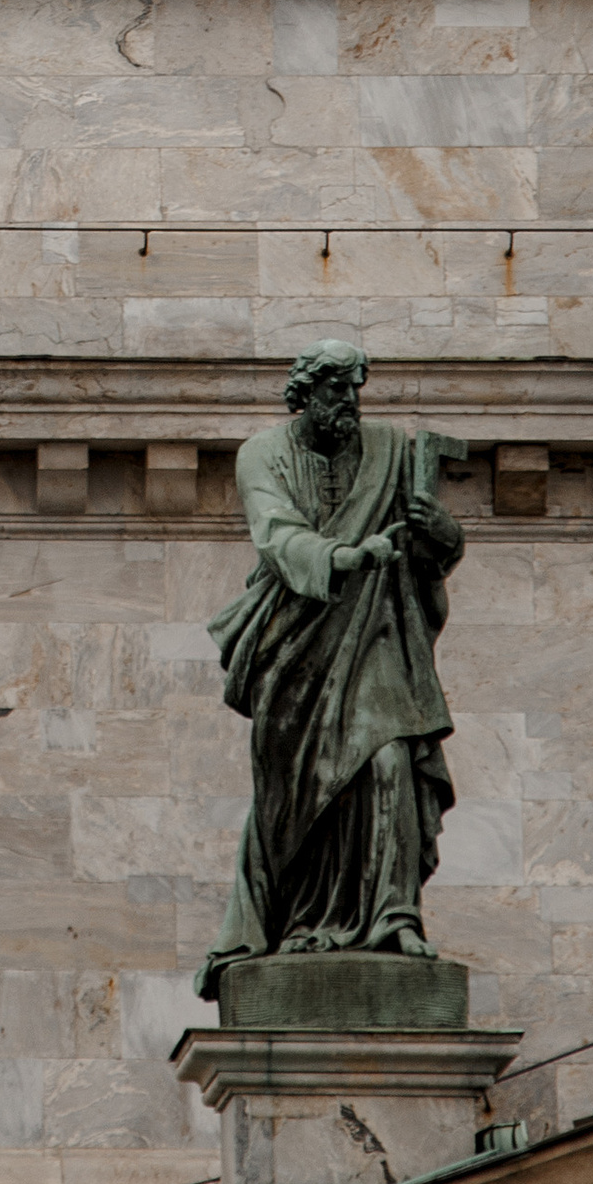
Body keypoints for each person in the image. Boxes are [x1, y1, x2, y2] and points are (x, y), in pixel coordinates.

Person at [197, 344, 467, 998]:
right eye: (334, 390)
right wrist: (344, 558)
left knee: (390, 761)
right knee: (293, 797)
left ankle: (392, 917)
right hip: (293, 648)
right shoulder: (262, 453)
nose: (346, 402)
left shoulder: (390, 451)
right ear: (304, 394)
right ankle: (300, 921)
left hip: (375, 633)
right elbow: (278, 535)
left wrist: (442, 533)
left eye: (354, 389)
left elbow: (431, 551)